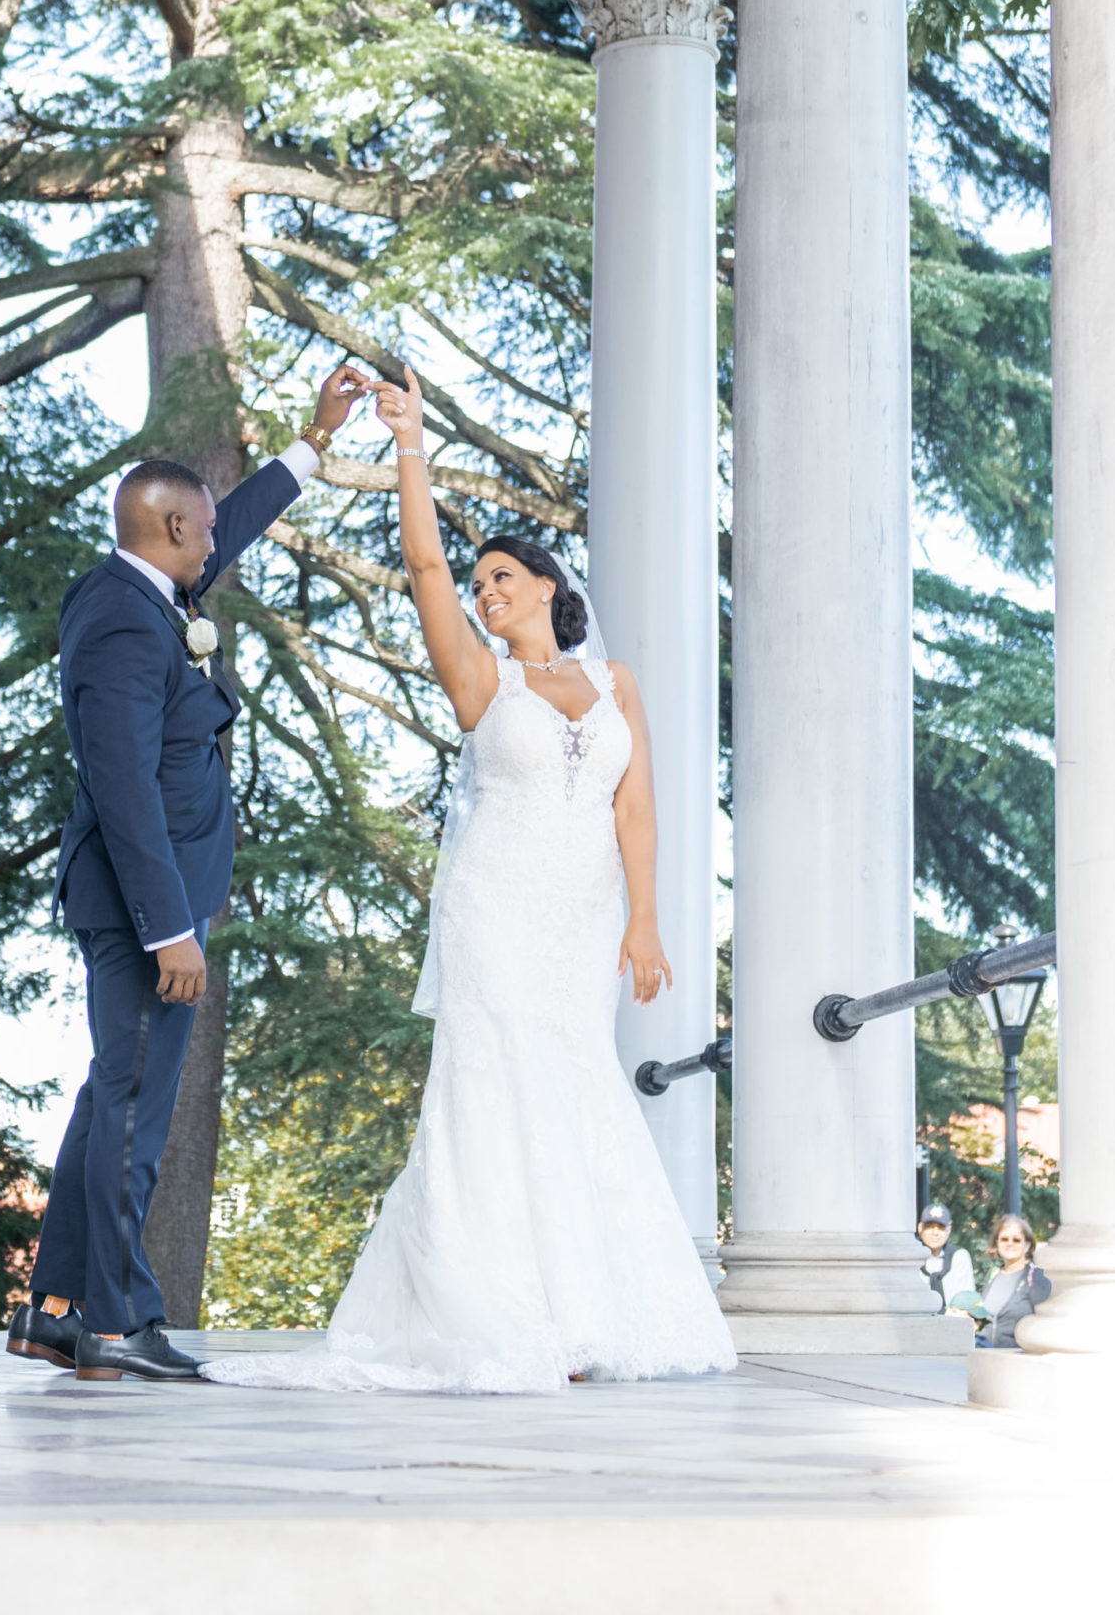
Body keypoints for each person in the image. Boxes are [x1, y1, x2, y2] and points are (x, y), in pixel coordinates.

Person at [203, 365, 737, 1393]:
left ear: (548, 587)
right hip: (494, 906)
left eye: (502, 577)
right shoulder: (482, 678)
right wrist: (410, 444)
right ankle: (508, 1310)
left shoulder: (615, 683)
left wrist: (645, 923)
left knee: (574, 1079)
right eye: (481, 582)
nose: (486, 591)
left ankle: (591, 1309)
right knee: (496, 1085)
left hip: (586, 916)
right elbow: (423, 566)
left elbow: (636, 808)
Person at [6, 363, 370, 1384]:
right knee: (131, 1114)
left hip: (155, 902)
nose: (214, 545)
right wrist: (170, 926)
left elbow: (233, 526)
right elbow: (121, 780)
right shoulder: (124, 617)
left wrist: (311, 444)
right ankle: (119, 1324)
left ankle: (57, 1311)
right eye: (201, 531)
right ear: (170, 529)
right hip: (143, 912)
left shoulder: (146, 591)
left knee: (109, 1102)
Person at [976, 1211, 1052, 1350]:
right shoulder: (993, 1274)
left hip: (1018, 1356)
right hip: (987, 1354)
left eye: (1016, 1240)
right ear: (997, 1243)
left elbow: (1046, 1323)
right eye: (1004, 1239)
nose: (1010, 1244)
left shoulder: (1036, 1278)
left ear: (1027, 1245)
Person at [917, 1202, 975, 1314]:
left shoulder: (959, 1257)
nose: (935, 1233)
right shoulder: (911, 1259)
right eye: (929, 1226)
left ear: (949, 1230)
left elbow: (965, 1299)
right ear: (920, 1228)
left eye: (941, 1227)